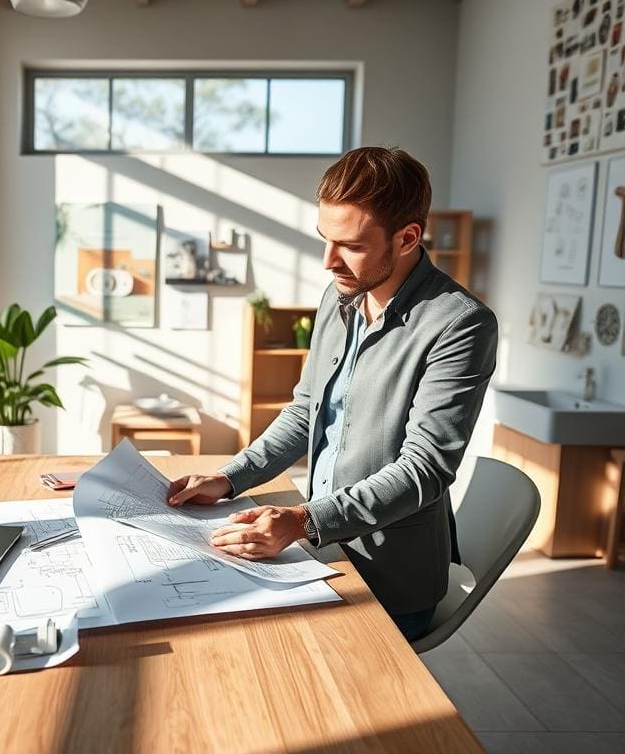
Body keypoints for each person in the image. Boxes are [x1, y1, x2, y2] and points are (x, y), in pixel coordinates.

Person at [166, 147, 498, 641]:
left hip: (389, 576)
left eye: (351, 245)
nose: (328, 262)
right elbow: (306, 411)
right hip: (320, 546)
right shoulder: (341, 297)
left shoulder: (459, 324)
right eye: (325, 239)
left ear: (408, 238)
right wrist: (228, 477)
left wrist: (303, 519)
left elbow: (425, 469)